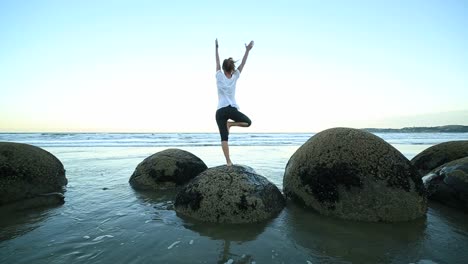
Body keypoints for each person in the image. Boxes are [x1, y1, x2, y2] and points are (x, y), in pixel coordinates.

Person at [215, 38, 254, 166]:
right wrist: (247, 50)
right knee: (248, 122)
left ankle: (228, 162)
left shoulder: (219, 76)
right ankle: (231, 124)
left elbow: (217, 61)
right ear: (232, 68)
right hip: (231, 109)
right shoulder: (235, 76)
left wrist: (216, 48)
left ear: (223, 68)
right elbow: (243, 64)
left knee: (224, 138)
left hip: (220, 111)